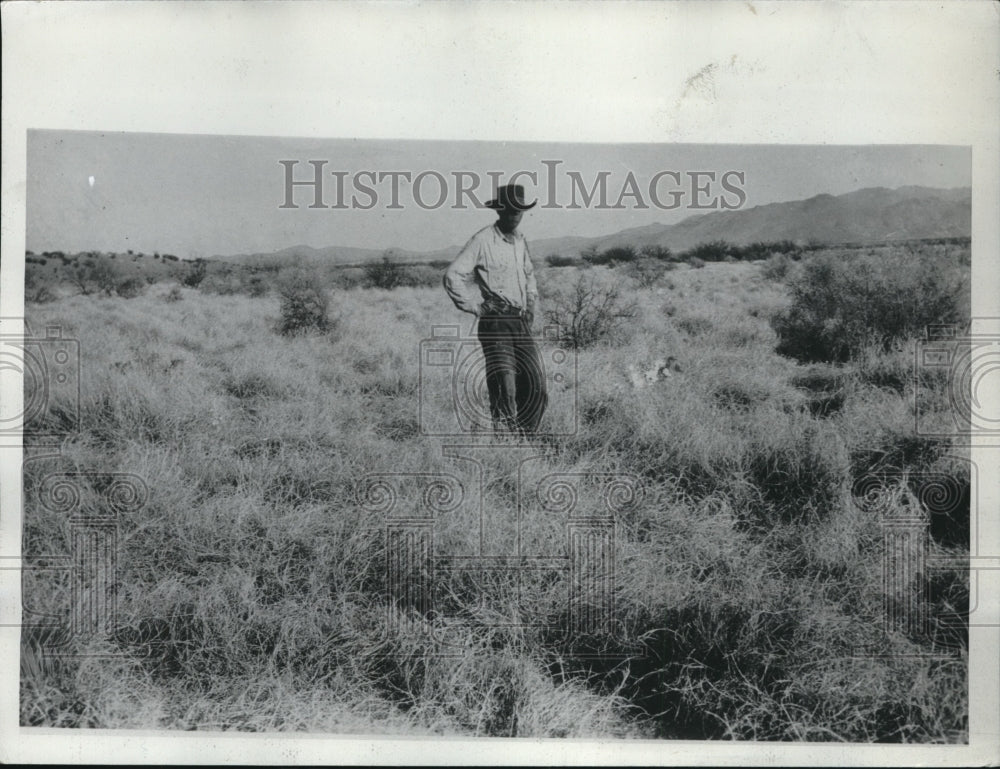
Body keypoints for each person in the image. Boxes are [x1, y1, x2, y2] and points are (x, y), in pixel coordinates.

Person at [443, 183, 548, 437]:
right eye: (510, 210)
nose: (515, 215)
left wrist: (531, 304)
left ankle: (525, 438)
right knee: (505, 386)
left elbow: (529, 275)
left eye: (519, 211)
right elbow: (453, 275)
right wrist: (476, 306)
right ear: (499, 211)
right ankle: (505, 444)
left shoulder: (520, 241)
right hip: (496, 321)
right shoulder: (483, 240)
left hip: (520, 320)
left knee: (536, 385)